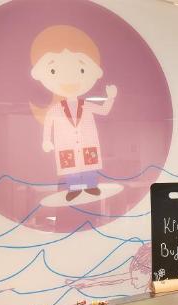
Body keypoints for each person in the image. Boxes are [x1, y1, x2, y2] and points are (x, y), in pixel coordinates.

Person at [30, 25, 116, 202]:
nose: (70, 80)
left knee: (89, 164)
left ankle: (91, 185)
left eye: (81, 70)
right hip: (66, 144)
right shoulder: (55, 110)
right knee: (70, 167)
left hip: (87, 142)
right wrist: (46, 140)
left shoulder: (88, 105)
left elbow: (104, 110)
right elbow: (48, 124)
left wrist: (110, 98)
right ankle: (74, 189)